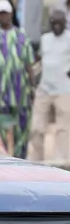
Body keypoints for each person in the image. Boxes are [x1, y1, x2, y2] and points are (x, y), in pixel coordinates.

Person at [0, 0, 37, 157]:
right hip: (0, 94)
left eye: (6, 13)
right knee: (1, 129)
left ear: (11, 14)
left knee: (23, 129)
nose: (4, 17)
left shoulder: (22, 36)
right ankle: (6, 159)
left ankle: (21, 158)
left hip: (21, 92)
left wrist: (33, 87)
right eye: (0, 14)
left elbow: (29, 64)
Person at [29, 10, 70, 163]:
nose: (57, 26)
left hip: (64, 90)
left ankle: (61, 162)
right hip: (44, 88)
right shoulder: (45, 39)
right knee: (36, 128)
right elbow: (38, 59)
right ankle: (37, 162)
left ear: (65, 23)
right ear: (50, 24)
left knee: (63, 129)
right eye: (54, 22)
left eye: (60, 22)